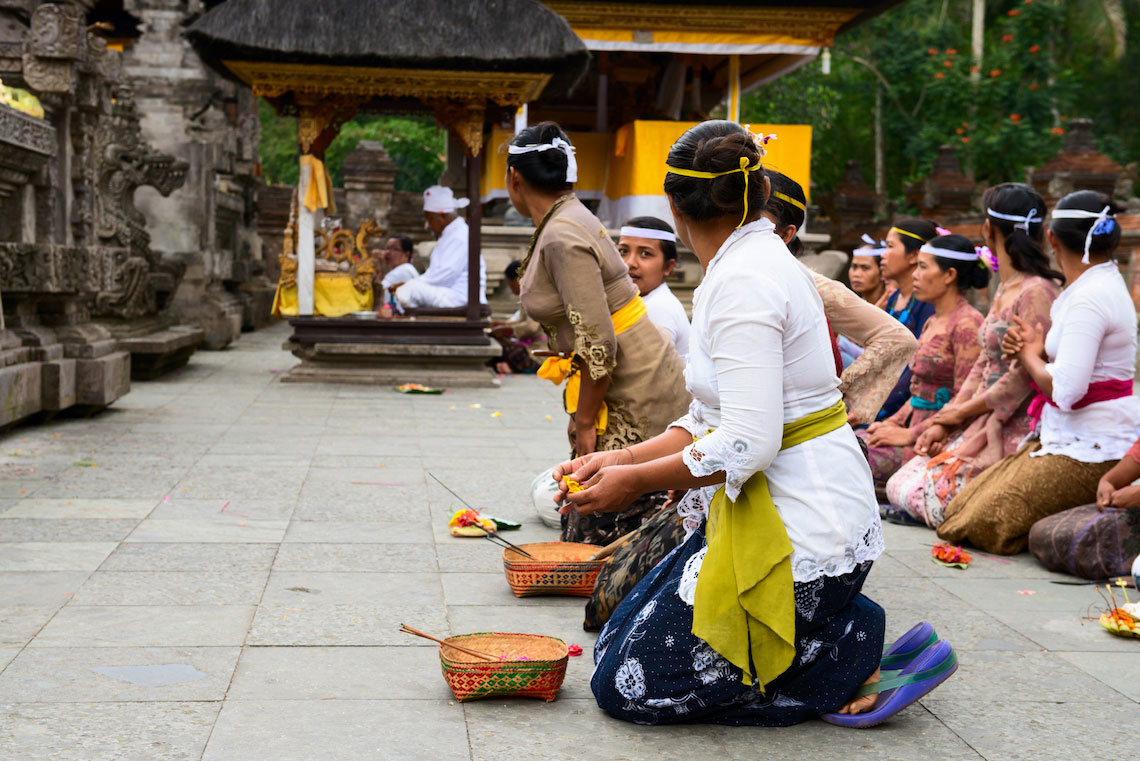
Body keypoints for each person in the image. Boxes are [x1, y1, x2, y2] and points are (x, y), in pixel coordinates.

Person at [555, 120, 954, 727]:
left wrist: (634, 484)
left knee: (627, 687)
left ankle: (847, 647)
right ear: (758, 191)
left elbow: (749, 441)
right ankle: (833, 625)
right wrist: (618, 460)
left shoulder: (745, 280)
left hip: (806, 533)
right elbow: (710, 420)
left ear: (673, 205)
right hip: (784, 511)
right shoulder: (750, 259)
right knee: (613, 641)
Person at [507, 121, 689, 546]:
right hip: (626, 372)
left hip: (633, 383)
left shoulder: (562, 235)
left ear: (513, 178)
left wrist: (585, 420)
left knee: (601, 527)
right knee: (589, 513)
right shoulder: (566, 217)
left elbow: (598, 342)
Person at [935, 191, 1140, 554]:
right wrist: (1037, 347)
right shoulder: (1088, 287)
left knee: (982, 522)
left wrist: (1031, 355)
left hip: (1095, 444)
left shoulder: (1091, 297)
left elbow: (1066, 391)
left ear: (1051, 237)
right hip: (1066, 433)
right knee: (957, 510)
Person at [886, 183, 1062, 529]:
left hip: (1013, 420)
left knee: (922, 495)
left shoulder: (1037, 290)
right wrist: (948, 418)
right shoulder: (1006, 288)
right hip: (979, 414)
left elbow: (1021, 377)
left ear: (989, 229)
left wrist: (958, 413)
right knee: (900, 486)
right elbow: (983, 364)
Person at [762, 171, 917, 427]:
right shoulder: (730, 277)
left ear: (785, 234)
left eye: (757, 224)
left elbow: (897, 339)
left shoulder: (805, 283)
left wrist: (835, 395)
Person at [861, 234, 985, 490]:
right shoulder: (932, 322)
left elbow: (965, 399)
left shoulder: (967, 324)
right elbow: (918, 391)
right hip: (911, 429)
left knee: (850, 461)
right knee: (848, 444)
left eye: (923, 266)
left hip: (938, 437)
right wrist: (890, 423)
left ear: (949, 275)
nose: (915, 275)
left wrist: (910, 434)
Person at [875, 219, 940, 421]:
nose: (882, 255)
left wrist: (876, 405)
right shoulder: (894, 298)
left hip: (901, 402)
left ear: (913, 256)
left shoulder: (926, 305)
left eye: (890, 247)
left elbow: (915, 367)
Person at [394, 186, 486, 310]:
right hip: (449, 293)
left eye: (430, 219)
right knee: (407, 289)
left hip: (459, 298)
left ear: (442, 216)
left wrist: (411, 284)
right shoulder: (451, 234)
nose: (429, 225)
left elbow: (444, 274)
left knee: (409, 290)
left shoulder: (459, 235)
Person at [617, 216, 690, 358]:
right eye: (623, 251)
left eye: (645, 253)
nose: (629, 263)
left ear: (668, 266)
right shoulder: (637, 302)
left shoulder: (659, 308)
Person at [487, 260, 546, 374]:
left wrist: (508, 329)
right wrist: (500, 324)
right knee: (496, 342)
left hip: (537, 353)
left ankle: (508, 366)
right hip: (530, 348)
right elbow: (520, 321)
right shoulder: (526, 296)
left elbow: (531, 327)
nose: (510, 287)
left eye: (510, 284)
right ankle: (506, 366)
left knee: (500, 347)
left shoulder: (533, 297)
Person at [850, 236, 888, 305]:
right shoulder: (852, 307)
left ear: (882, 272)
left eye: (865, 268)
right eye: (854, 267)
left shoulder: (893, 307)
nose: (856, 274)